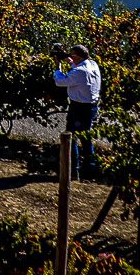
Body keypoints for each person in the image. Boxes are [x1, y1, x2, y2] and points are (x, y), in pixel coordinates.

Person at [53, 44, 102, 178]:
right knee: (86, 138)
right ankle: (91, 169)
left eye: (72, 54)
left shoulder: (79, 71)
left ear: (78, 56)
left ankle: (73, 170)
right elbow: (80, 71)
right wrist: (71, 61)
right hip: (91, 106)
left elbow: (60, 81)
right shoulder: (93, 64)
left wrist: (58, 67)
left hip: (79, 107)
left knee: (71, 137)